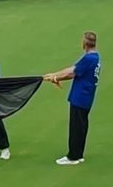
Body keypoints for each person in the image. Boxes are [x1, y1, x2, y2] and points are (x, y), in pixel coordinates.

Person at [43, 31, 101, 166]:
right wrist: (55, 74)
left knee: (76, 127)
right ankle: (78, 153)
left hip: (80, 96)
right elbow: (73, 68)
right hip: (86, 96)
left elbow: (72, 73)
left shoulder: (88, 59)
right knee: (81, 125)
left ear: (85, 43)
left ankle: (73, 156)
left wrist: (56, 78)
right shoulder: (94, 57)